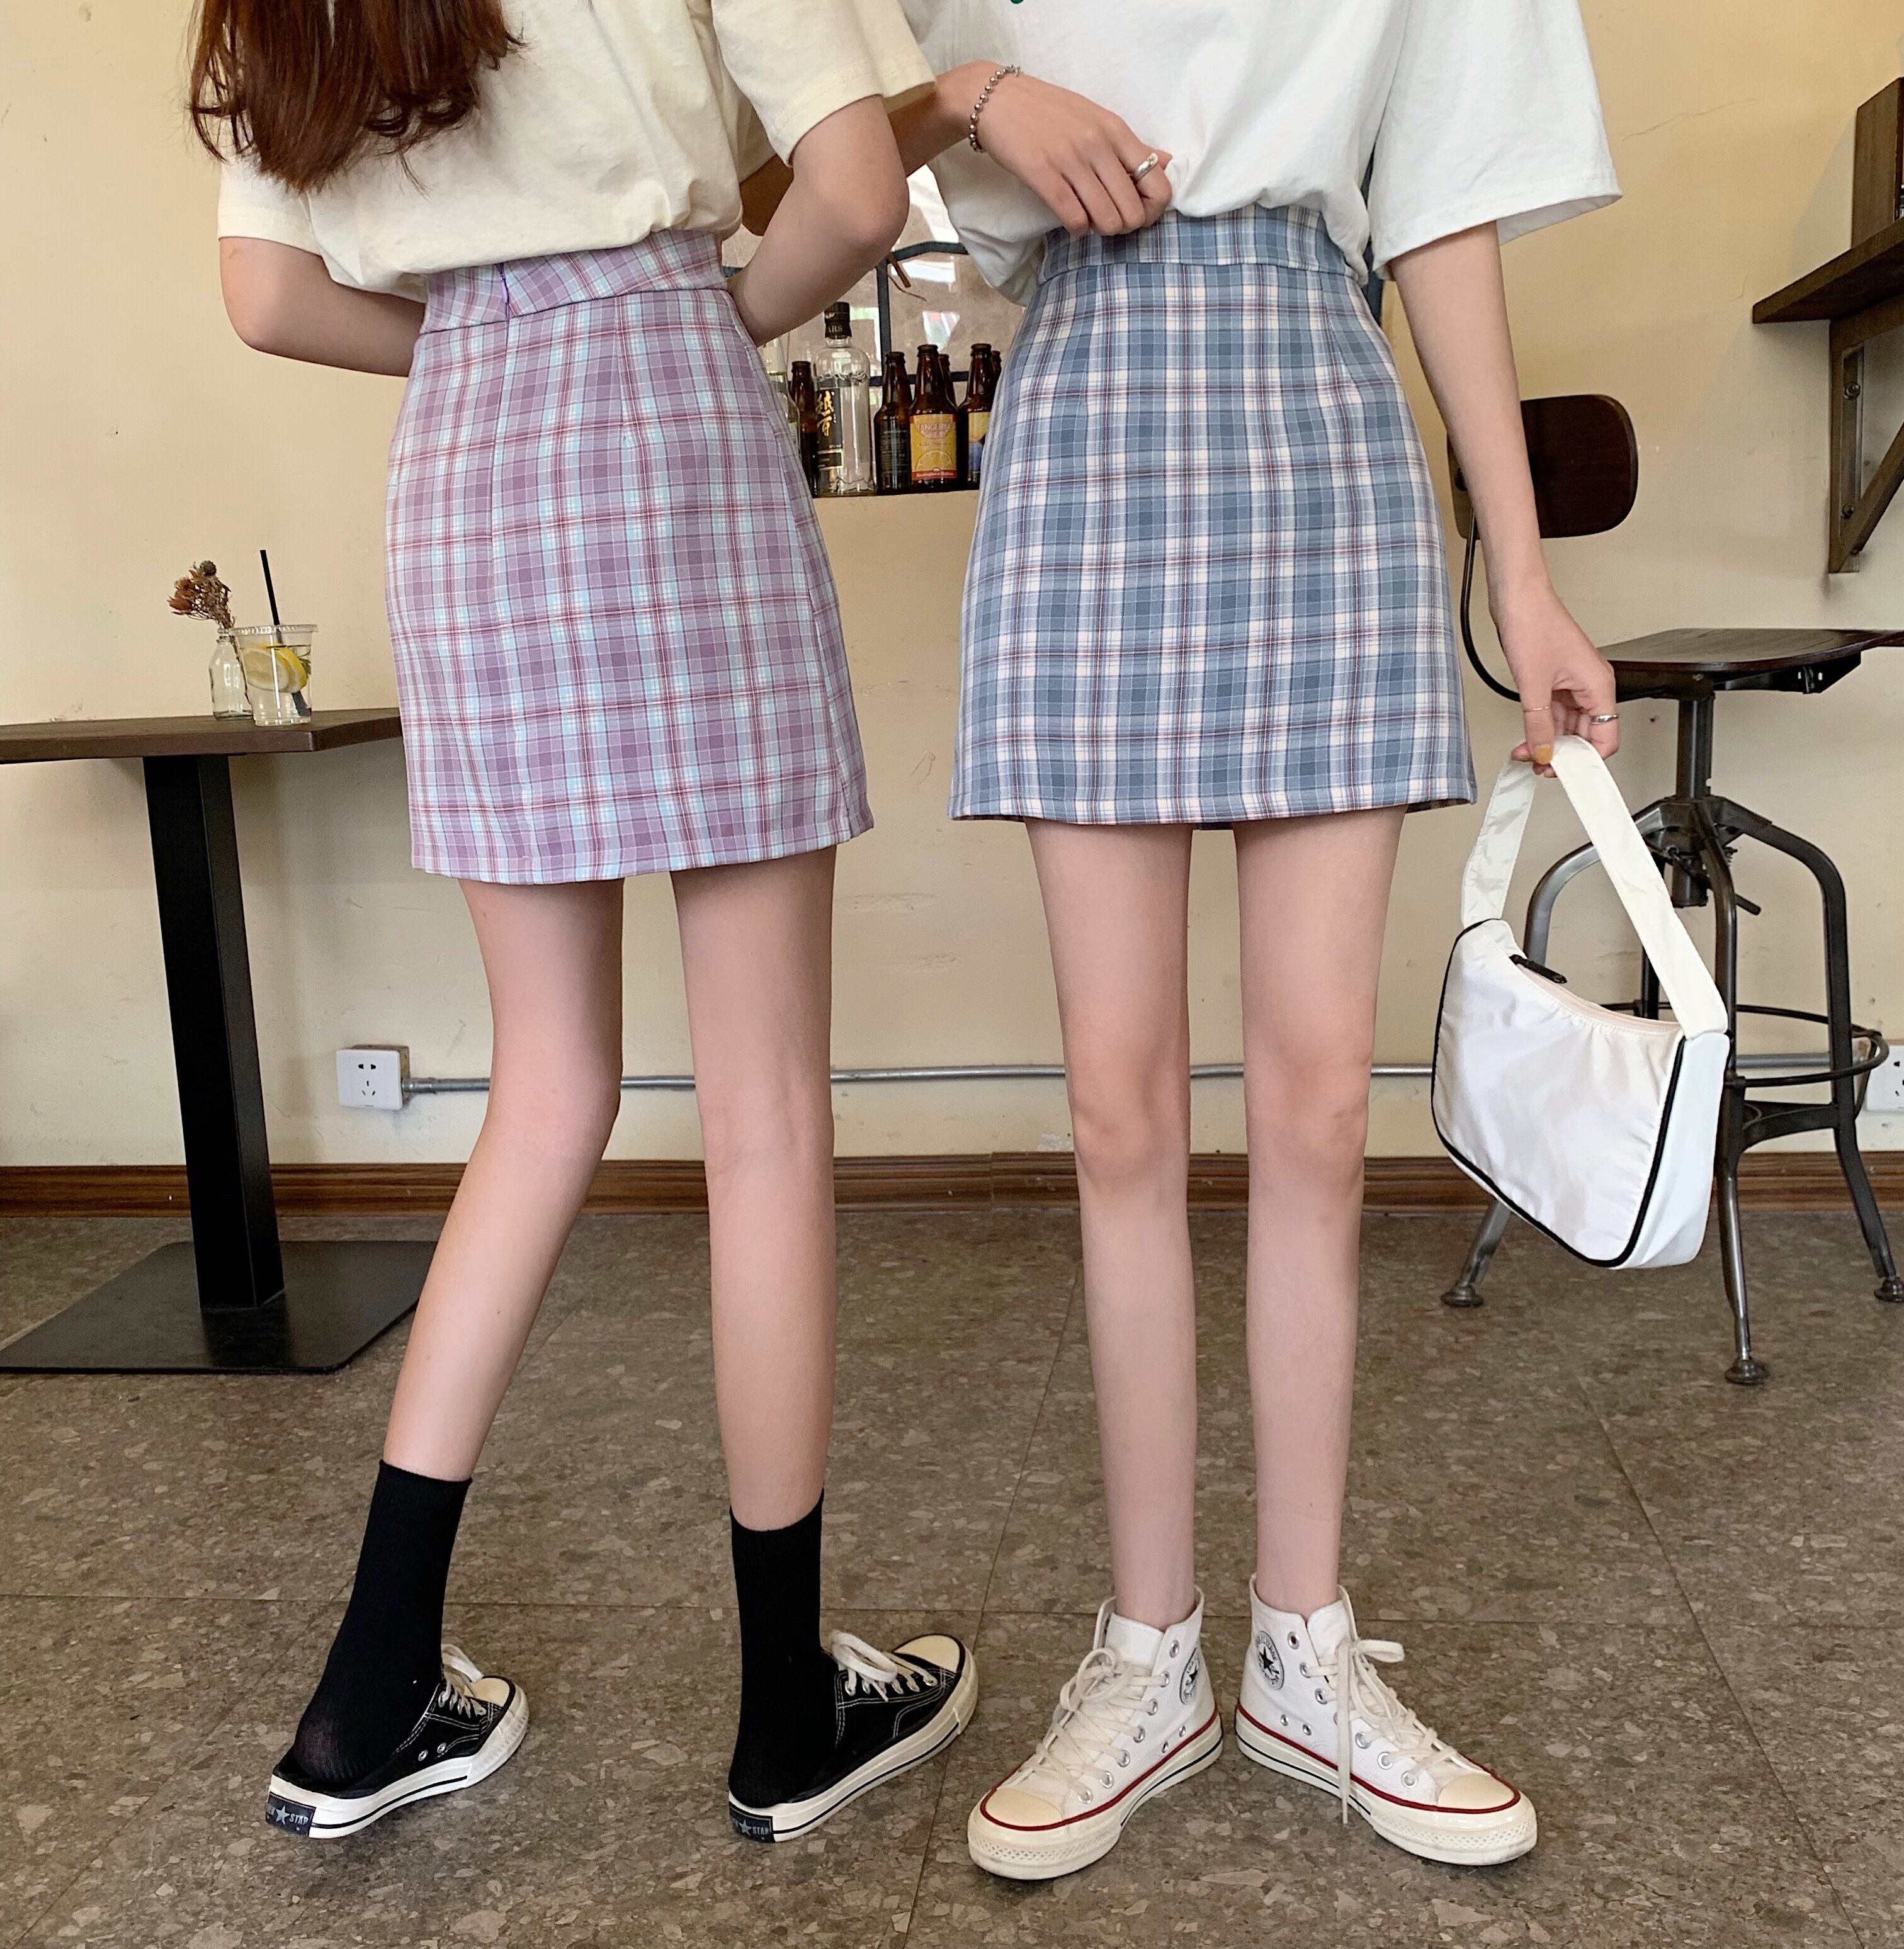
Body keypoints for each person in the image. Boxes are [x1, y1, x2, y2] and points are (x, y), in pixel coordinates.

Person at [193, 0, 978, 1845]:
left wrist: (481, 332)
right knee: (765, 1113)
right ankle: (785, 1712)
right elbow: (857, 192)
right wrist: (716, 311)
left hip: (468, 466)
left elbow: (266, 296)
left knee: (543, 1093)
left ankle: (370, 1694)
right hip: (670, 422)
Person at [888, 0, 1624, 1880]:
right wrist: (977, 92)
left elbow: (1440, 204)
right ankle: (1149, 1656)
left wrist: (1523, 573)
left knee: (1317, 1108)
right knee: (1118, 1112)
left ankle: (1305, 1648)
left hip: (1318, 402)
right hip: (1082, 405)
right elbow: (821, 125)